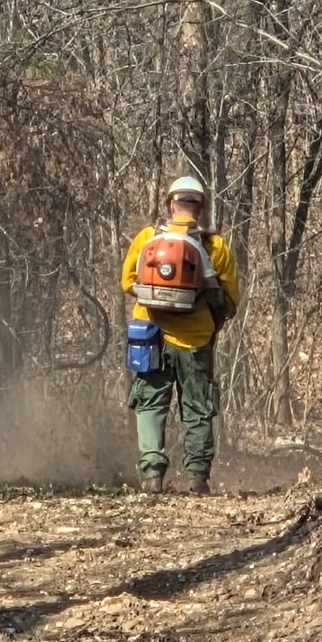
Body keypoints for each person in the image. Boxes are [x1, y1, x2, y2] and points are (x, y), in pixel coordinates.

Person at [120, 175, 240, 495]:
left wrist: (156, 299)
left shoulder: (147, 237)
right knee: (198, 408)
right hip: (196, 339)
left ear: (171, 205)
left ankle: (151, 475)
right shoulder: (215, 246)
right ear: (199, 209)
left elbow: (127, 281)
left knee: (150, 404)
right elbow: (231, 302)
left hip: (150, 335)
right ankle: (197, 479)